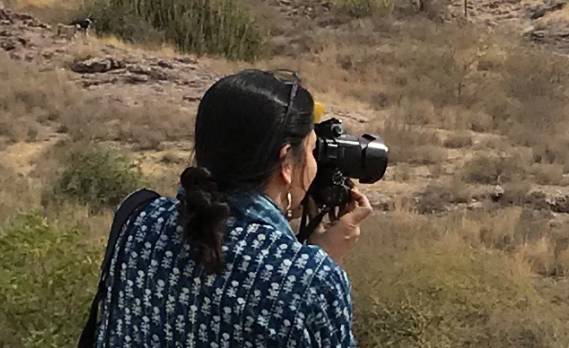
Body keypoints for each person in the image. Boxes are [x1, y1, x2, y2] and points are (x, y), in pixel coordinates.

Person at [94, 69, 373, 347]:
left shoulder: (138, 220)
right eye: (311, 151)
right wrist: (317, 264)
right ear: (286, 163)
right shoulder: (310, 281)